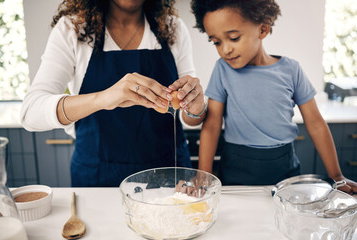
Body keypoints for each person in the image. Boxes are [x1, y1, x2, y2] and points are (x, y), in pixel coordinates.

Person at [21, 0, 207, 187]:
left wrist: (196, 108)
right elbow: (31, 112)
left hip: (168, 176)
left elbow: (190, 118)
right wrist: (103, 98)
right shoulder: (72, 29)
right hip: (97, 177)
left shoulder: (172, 27)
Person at [190, 0, 357, 193]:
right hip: (236, 169)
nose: (225, 49)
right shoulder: (222, 69)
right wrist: (203, 174)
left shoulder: (291, 70)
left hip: (284, 170)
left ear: (263, 30)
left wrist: (337, 177)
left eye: (234, 38)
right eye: (216, 42)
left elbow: (316, 124)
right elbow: (211, 125)